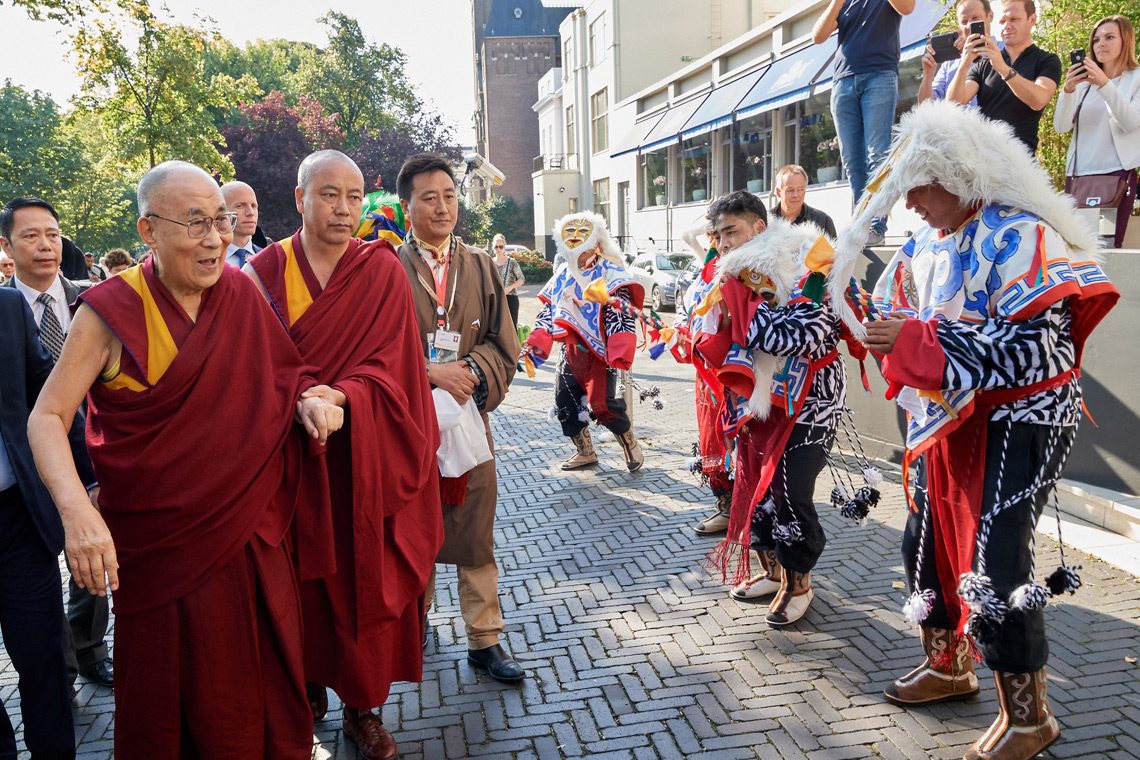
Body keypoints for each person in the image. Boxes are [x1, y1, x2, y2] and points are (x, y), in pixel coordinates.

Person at [826, 100, 1118, 760]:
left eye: (920, 189)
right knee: (924, 540)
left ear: (957, 176)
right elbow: (893, 312)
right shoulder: (922, 244)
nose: (910, 205)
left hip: (1022, 417)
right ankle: (949, 664)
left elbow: (1042, 352)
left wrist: (919, 340)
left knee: (997, 558)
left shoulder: (1024, 236)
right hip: (942, 419)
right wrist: (875, 327)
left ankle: (1029, 718)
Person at [26, 161, 346, 758]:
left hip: (249, 535)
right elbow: (46, 417)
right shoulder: (109, 310)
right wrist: (77, 512)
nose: (215, 239)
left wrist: (309, 399)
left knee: (262, 691)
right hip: (161, 547)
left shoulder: (240, 291)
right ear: (148, 230)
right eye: (195, 223)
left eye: (220, 220)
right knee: (170, 701)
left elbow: (284, 375)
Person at [247, 149, 444, 760]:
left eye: (354, 196)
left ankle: (364, 709)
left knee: (363, 583)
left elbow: (397, 369)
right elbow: (253, 366)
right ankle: (304, 698)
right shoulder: (261, 274)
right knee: (297, 589)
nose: (343, 208)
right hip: (291, 461)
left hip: (364, 460)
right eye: (329, 194)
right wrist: (303, 395)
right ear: (300, 199)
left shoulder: (380, 270)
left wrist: (344, 394)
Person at [394, 152, 526, 686]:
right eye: (428, 198)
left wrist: (469, 370)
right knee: (412, 531)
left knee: (475, 533)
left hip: (469, 425)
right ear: (407, 207)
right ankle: (413, 624)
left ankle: (484, 639)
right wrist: (429, 372)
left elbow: (504, 341)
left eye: (449, 196)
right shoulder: (385, 269)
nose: (442, 207)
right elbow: (371, 352)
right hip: (408, 428)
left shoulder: (480, 266)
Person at [695, 191, 849, 626]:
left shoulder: (808, 258)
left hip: (810, 400)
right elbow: (700, 324)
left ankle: (799, 582)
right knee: (756, 485)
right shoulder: (729, 273)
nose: (724, 243)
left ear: (759, 226)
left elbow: (810, 333)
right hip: (756, 400)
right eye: (718, 236)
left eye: (732, 232)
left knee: (789, 489)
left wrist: (742, 314)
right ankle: (773, 571)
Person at [0, 197, 114, 692]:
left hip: (93, 452)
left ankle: (89, 649)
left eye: (52, 234)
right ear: (7, 246)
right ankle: (58, 668)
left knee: (92, 555)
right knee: (38, 576)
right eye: (30, 236)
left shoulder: (97, 301)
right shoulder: (5, 310)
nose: (46, 245)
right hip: (27, 466)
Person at [0, 288, 96, 759]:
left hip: (16, 519)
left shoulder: (7, 309)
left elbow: (53, 402)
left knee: (42, 654)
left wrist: (91, 480)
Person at [524, 212, 646, 473]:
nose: (578, 254)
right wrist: (537, 339)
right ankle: (585, 451)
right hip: (571, 350)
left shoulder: (610, 272)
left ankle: (629, 442)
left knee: (603, 404)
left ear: (596, 244)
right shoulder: (563, 273)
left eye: (583, 247)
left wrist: (620, 344)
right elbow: (548, 311)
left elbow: (619, 310)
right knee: (565, 402)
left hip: (599, 352)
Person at [813, 0, 914, 246]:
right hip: (843, 80)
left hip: (879, 75)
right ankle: (860, 223)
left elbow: (907, 8)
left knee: (877, 154)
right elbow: (818, 36)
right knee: (852, 161)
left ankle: (876, 225)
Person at [1054, 15, 1140, 249]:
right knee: (1076, 247)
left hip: (1116, 177)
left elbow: (1130, 122)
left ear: (1125, 41)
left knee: (1106, 247)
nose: (1101, 44)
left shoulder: (1136, 78)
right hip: (1079, 177)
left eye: (1110, 37)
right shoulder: (1083, 84)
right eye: (1096, 39)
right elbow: (1061, 127)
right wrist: (1068, 90)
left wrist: (1104, 84)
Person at [676, 216, 737, 536]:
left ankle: (744, 510)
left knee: (734, 437)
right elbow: (691, 309)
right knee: (713, 435)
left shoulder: (745, 270)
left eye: (725, 233)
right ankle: (727, 505)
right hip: (708, 372)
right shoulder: (706, 271)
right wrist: (682, 332)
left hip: (735, 372)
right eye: (713, 235)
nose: (717, 241)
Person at [947, 0, 1061, 153]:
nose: (1007, 26)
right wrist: (964, 63)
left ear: (1032, 19)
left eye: (1014, 19)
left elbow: (1039, 99)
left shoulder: (1046, 60)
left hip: (1020, 158)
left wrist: (1003, 69)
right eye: (1002, 21)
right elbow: (953, 103)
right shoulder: (984, 65)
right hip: (985, 156)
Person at [917, 0, 996, 106]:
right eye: (964, 21)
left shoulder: (1005, 51)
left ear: (990, 16)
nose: (969, 25)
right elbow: (926, 106)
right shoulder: (950, 63)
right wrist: (928, 75)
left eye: (975, 18)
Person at [768, 165, 837, 236]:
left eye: (800, 189)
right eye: (791, 190)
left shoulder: (822, 221)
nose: (796, 195)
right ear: (778, 192)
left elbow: (831, 243)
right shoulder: (767, 222)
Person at [221, 180, 262, 268]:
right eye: (240, 206)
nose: (250, 212)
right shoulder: (206, 261)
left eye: (253, 206)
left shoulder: (269, 259)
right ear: (221, 212)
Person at [492, 233, 526, 327]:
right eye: (496, 247)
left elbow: (521, 279)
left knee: (511, 327)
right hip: (496, 299)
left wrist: (509, 288)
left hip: (511, 298)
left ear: (504, 247)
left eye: (501, 246)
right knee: (496, 327)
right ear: (493, 248)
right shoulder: (490, 262)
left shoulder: (512, 262)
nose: (498, 249)